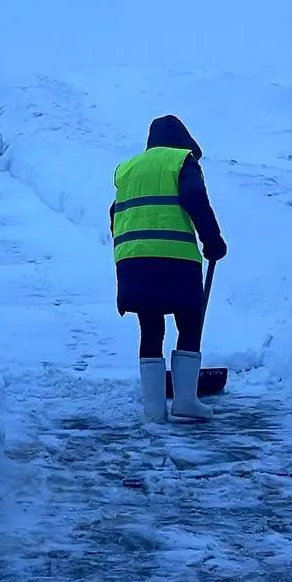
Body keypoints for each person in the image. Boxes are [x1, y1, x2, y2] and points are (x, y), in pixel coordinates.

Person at [110, 114, 227, 423]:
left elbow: (115, 213)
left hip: (132, 259)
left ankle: (153, 409)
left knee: (150, 328)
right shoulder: (181, 161)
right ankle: (186, 401)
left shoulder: (128, 168)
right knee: (189, 323)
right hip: (174, 258)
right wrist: (212, 239)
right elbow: (193, 195)